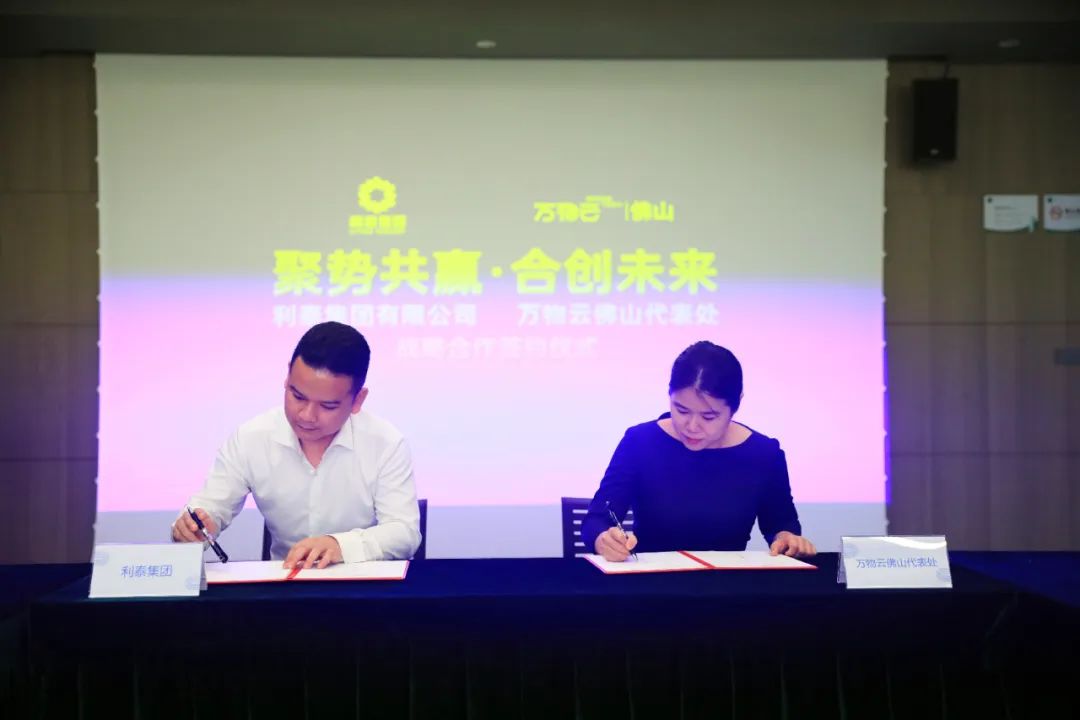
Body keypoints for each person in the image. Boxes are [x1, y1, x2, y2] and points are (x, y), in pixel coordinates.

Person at [171, 321, 421, 568]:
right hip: (283, 584)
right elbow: (211, 506)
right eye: (297, 396)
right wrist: (194, 527)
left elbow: (404, 532)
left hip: (362, 585)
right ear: (287, 375)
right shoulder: (251, 438)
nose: (307, 416)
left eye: (327, 406)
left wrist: (339, 545)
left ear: (358, 400)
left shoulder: (385, 444)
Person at [581, 340, 816, 562]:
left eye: (708, 416)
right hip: (650, 582)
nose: (692, 426)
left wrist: (787, 539)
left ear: (736, 405)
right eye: (681, 410)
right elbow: (596, 520)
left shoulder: (764, 454)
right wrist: (603, 540)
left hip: (727, 584)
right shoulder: (640, 442)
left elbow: (782, 524)